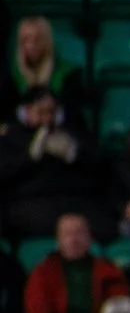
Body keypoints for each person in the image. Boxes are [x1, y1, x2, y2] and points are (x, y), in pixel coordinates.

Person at [0, 89, 101, 240]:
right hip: (29, 204)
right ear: (27, 111)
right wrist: (30, 157)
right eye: (40, 112)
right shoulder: (11, 136)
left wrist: (73, 154)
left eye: (52, 112)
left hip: (72, 202)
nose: (47, 119)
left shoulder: (72, 132)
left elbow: (98, 166)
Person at [24, 214, 130, 313]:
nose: (74, 240)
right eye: (67, 234)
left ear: (90, 238)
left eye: (79, 233)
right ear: (58, 239)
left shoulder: (108, 271)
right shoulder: (42, 273)